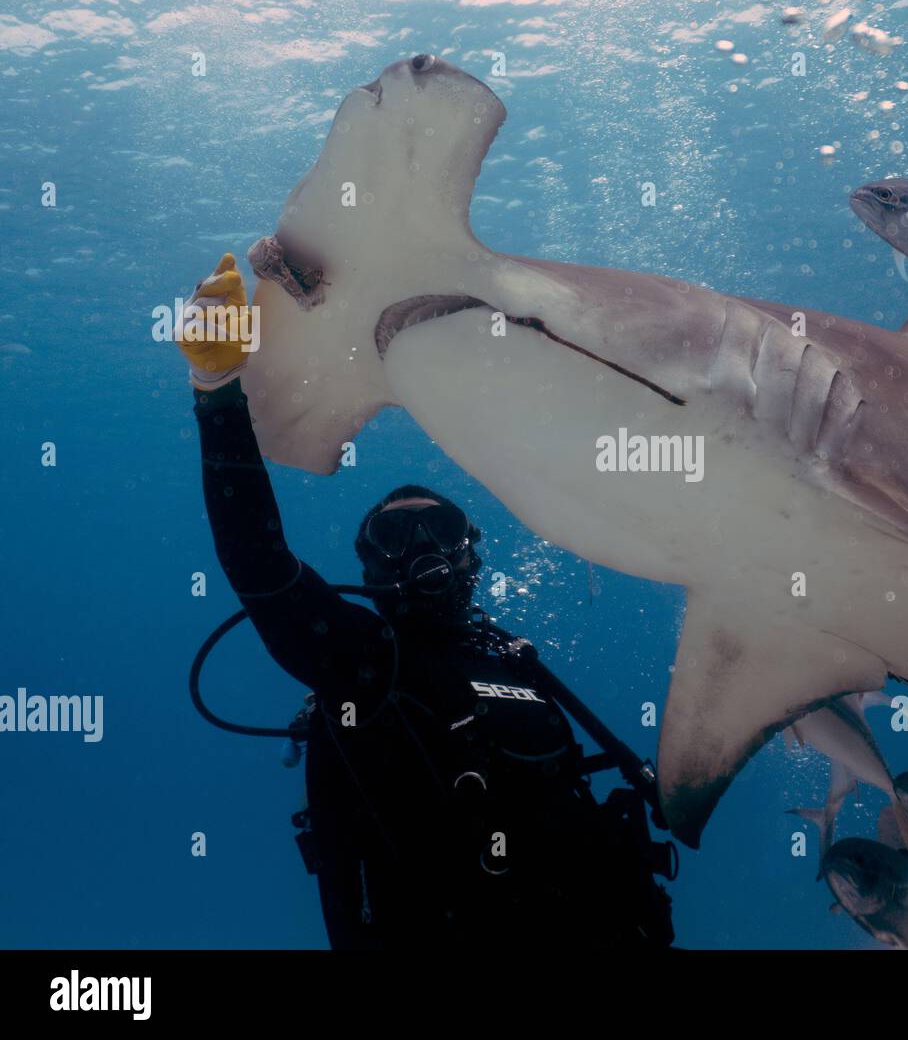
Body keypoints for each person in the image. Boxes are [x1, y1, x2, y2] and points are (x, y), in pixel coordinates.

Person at [179, 254, 675, 949]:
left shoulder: (518, 660)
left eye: (439, 532)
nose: (422, 553)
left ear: (471, 555)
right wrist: (216, 388)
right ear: (369, 567)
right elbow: (260, 567)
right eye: (394, 537)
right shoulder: (359, 661)